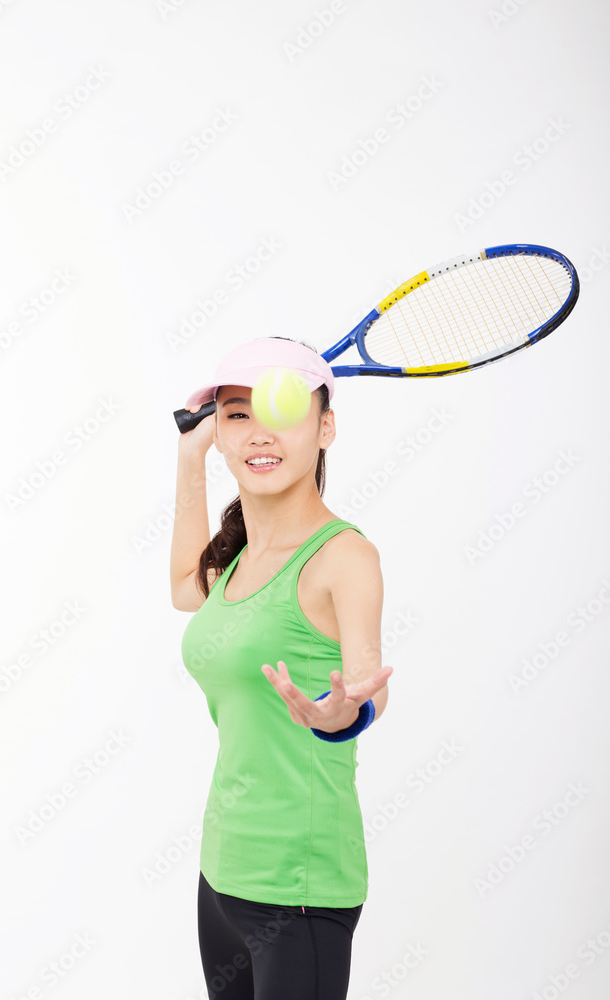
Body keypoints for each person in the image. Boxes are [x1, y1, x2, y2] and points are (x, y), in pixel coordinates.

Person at [171, 335, 394, 1000]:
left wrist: (341, 715)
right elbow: (185, 586)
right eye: (237, 413)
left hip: (298, 883)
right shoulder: (238, 558)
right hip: (223, 871)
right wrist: (189, 457)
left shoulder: (343, 556)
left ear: (325, 427)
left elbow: (366, 686)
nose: (257, 432)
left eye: (282, 410)